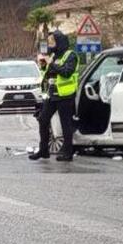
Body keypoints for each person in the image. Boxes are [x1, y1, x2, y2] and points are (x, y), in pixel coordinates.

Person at [29, 30, 79, 162]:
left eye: (52, 42)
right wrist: (43, 65)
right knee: (43, 120)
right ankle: (43, 150)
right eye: (49, 42)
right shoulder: (53, 55)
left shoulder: (71, 55)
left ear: (60, 42)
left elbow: (67, 72)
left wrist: (51, 63)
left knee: (65, 124)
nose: (50, 45)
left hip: (66, 95)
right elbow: (49, 73)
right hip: (52, 95)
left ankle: (67, 153)